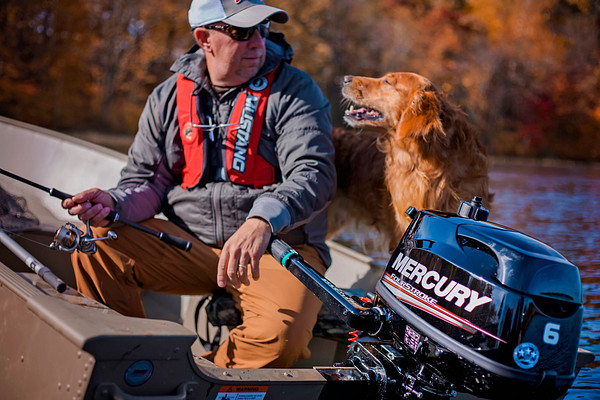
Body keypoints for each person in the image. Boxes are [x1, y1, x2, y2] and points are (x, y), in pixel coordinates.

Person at [61, 0, 335, 369]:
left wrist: (263, 220)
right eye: (242, 32)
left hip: (275, 249)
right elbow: (146, 181)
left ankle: (190, 378)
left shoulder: (297, 90)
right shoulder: (167, 97)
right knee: (94, 241)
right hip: (189, 244)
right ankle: (131, 367)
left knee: (279, 338)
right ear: (204, 38)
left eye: (263, 29)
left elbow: (314, 173)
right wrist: (114, 203)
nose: (258, 42)